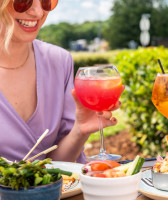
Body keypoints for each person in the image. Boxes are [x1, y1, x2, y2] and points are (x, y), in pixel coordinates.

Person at [0, 0, 123, 163]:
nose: (38, 12)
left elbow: (58, 167)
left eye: (45, 2)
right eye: (23, 1)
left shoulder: (59, 61)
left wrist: (80, 130)